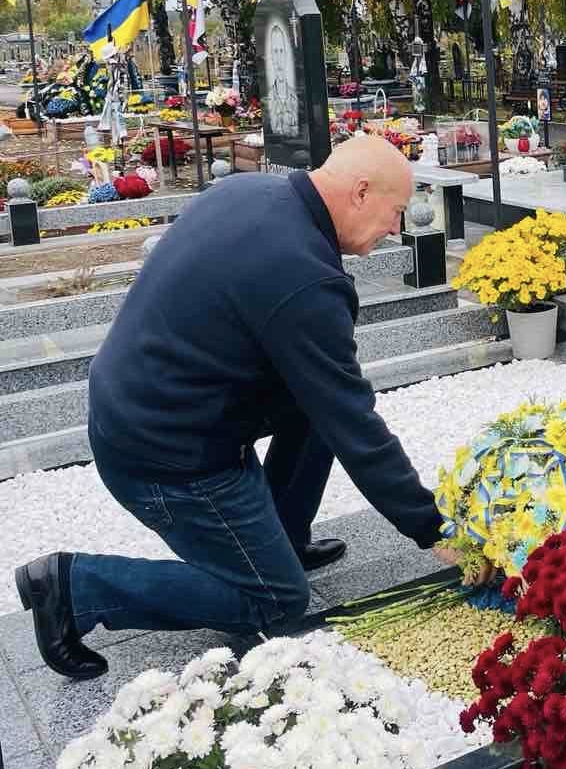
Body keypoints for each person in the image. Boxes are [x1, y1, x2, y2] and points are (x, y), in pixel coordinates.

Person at [15, 137, 450, 681]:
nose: (396, 227)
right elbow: (355, 423)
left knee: (316, 402)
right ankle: (75, 587)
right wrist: (433, 529)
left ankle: (282, 539)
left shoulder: (251, 191)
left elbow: (327, 399)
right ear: (361, 192)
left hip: (142, 408)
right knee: (274, 598)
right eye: (396, 211)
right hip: (168, 459)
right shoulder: (303, 277)